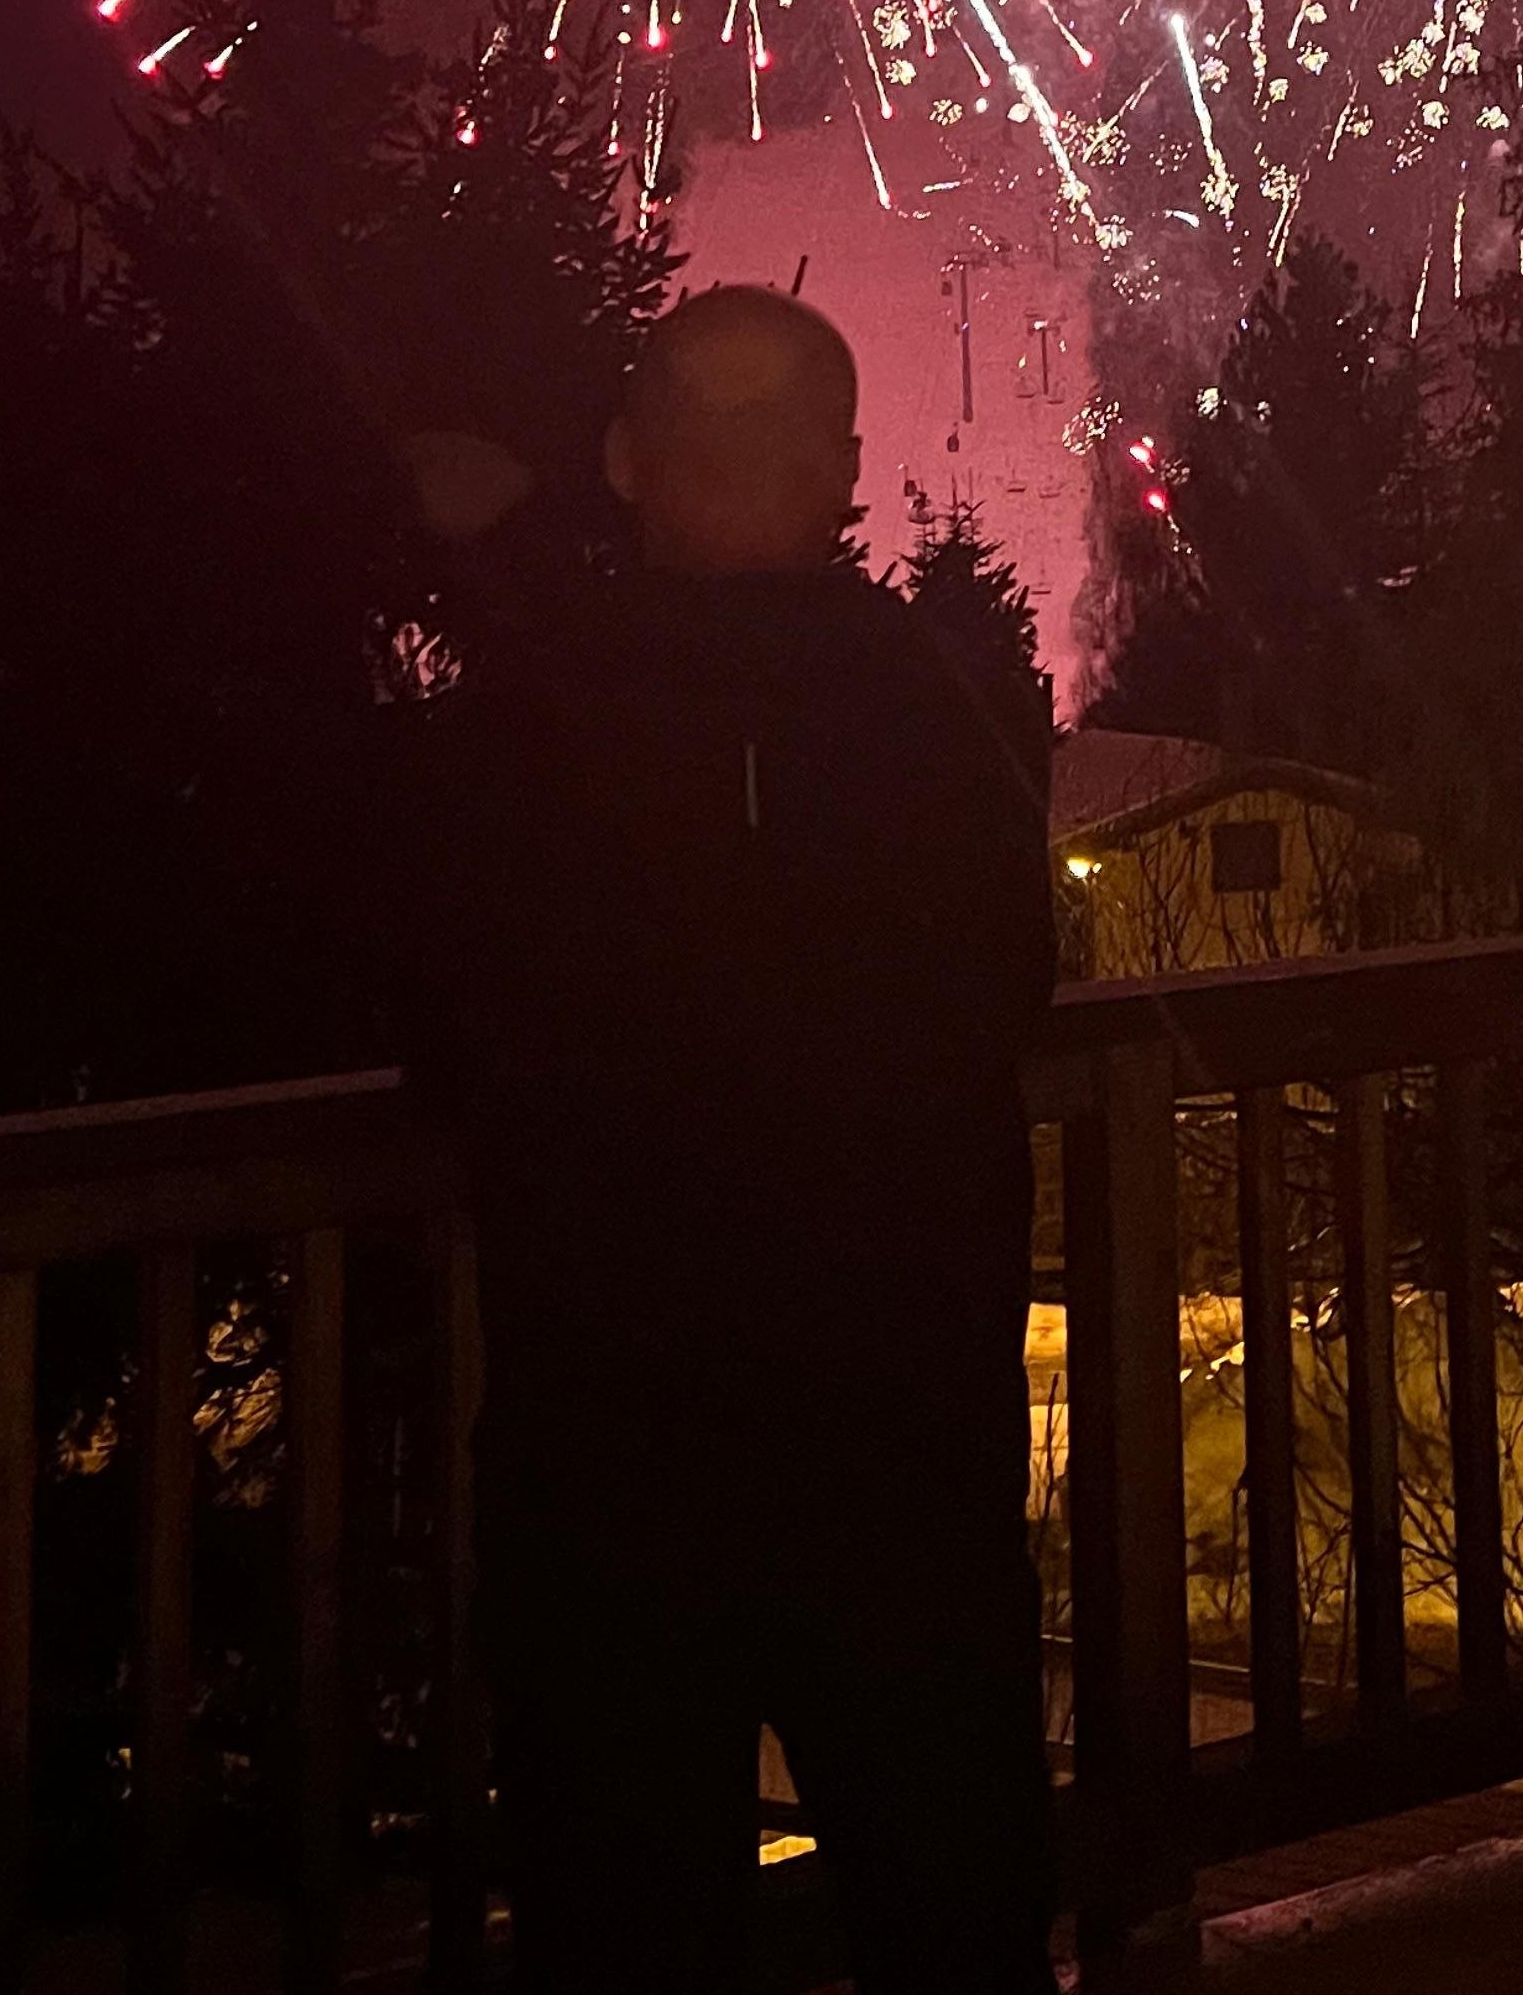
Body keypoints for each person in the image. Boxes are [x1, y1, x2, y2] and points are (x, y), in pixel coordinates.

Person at [398, 285, 1059, 1995]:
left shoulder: (521, 730)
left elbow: (442, 1023)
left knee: (624, 1921)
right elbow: (1002, 983)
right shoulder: (957, 706)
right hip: (905, 1448)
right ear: (846, 473)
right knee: (951, 1902)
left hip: (612, 1468)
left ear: (628, 459)